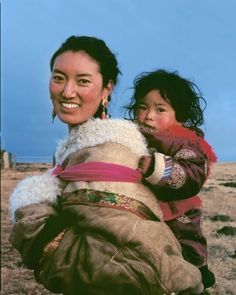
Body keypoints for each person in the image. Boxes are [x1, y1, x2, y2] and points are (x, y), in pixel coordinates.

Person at [9, 36, 204, 295]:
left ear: (107, 89)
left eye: (83, 81)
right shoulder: (76, 147)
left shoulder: (111, 147)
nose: (67, 91)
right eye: (58, 77)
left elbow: (130, 263)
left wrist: (41, 237)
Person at [125, 69, 218, 294]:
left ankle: (198, 276)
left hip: (178, 213)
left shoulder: (186, 142)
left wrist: (157, 168)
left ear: (180, 115)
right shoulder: (134, 135)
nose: (148, 115)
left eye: (160, 109)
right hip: (146, 210)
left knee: (186, 249)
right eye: (142, 107)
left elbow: (192, 174)